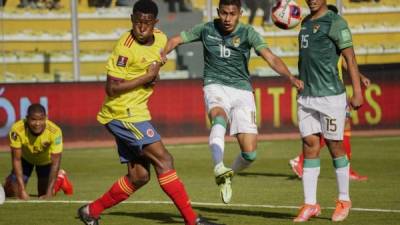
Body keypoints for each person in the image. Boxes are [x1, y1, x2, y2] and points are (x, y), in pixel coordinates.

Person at [77, 1, 217, 225]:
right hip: (122, 113)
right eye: (138, 22)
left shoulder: (161, 38)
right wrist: (146, 77)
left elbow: (153, 65)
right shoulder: (125, 47)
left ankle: (90, 211)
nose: (142, 27)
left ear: (155, 23)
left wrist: (153, 75)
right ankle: (193, 221)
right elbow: (111, 89)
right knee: (164, 160)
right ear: (132, 19)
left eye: (147, 23)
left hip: (136, 111)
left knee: (139, 176)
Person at [163, 0, 303, 204]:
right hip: (215, 85)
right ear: (219, 12)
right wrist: (160, 56)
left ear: (240, 14)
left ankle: (227, 175)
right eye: (224, 13)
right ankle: (218, 165)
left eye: (232, 14)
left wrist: (290, 77)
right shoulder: (206, 29)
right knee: (219, 117)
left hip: (242, 90)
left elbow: (270, 57)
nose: (228, 18)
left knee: (250, 154)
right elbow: (175, 40)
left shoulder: (248, 33)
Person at [293, 0, 364, 222]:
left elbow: (349, 57)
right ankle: (310, 204)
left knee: (334, 145)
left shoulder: (336, 22)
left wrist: (357, 91)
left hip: (330, 95)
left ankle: (344, 199)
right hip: (307, 96)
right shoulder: (304, 22)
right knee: (310, 145)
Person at [3, 103, 73, 200]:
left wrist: (49, 194)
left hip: (45, 162)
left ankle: (60, 179)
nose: (37, 123)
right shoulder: (17, 129)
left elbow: (55, 163)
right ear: (27, 118)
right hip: (25, 159)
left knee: (43, 193)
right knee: (13, 192)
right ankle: (10, 181)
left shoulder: (55, 131)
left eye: (40, 119)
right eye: (33, 120)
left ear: (46, 118)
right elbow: (16, 159)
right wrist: (22, 190)